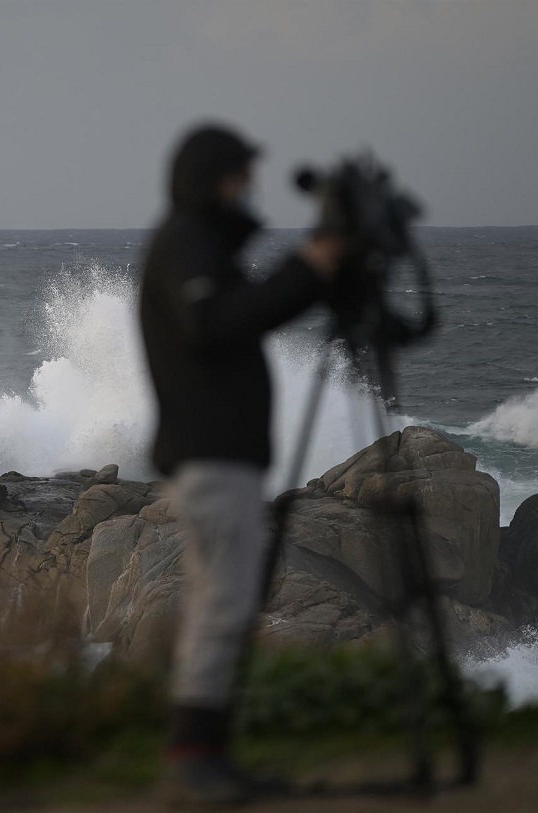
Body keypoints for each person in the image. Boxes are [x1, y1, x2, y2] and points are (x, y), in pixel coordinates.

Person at [138, 123, 342, 804]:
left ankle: (205, 751)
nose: (246, 189)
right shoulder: (186, 243)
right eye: (237, 176)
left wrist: (311, 278)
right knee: (225, 601)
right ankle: (196, 757)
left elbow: (238, 315)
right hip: (210, 456)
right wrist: (306, 270)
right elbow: (216, 322)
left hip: (218, 457)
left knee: (221, 601)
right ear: (208, 179)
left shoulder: (194, 243)